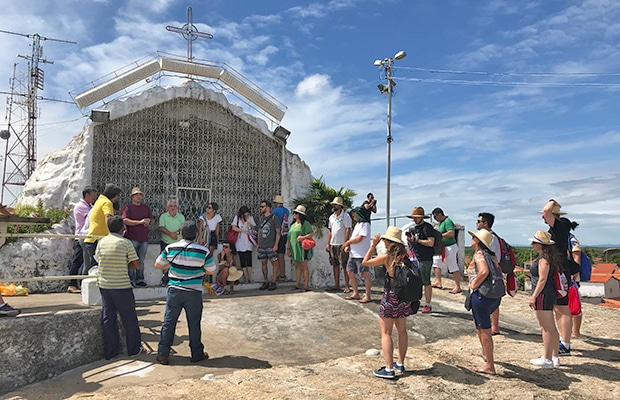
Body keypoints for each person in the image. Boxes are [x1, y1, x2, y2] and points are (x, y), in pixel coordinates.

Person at [154, 220, 217, 365]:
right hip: (193, 291)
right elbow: (212, 270)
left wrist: (173, 265)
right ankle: (196, 353)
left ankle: (163, 354)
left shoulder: (171, 248)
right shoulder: (203, 251)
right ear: (196, 234)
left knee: (169, 322)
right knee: (194, 324)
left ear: (181, 233)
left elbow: (157, 264)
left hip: (174, 290)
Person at [362, 226, 413, 379]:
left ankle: (389, 368)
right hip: (404, 297)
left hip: (391, 297)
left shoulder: (386, 257)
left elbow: (365, 262)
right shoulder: (406, 256)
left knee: (386, 333)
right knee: (402, 331)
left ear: (389, 242)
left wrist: (372, 245)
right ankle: (400, 363)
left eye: (384, 240)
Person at [94, 215, 144, 360]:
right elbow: (136, 265)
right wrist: (124, 263)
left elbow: (98, 259)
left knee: (108, 317)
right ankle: (134, 349)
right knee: (129, 318)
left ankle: (111, 351)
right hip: (121, 285)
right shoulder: (126, 243)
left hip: (104, 284)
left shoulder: (102, 242)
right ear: (122, 229)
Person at [466, 229, 503, 375]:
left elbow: (483, 271)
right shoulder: (491, 256)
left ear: (478, 242)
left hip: (482, 295)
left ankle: (490, 365)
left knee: (484, 328)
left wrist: (474, 285)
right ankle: (485, 353)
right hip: (493, 295)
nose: (472, 239)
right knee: (480, 326)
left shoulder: (479, 255)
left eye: (474, 237)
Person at [541, 199, 573, 356]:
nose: (543, 217)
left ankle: (565, 344)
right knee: (559, 308)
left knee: (562, 308)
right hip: (560, 270)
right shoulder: (560, 228)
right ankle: (563, 341)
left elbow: (546, 211)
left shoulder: (558, 227)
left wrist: (551, 201)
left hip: (559, 271)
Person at [528, 230, 561, 369]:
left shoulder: (543, 259)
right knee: (551, 327)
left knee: (546, 327)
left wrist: (533, 296)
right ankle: (554, 356)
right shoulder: (549, 257)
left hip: (543, 294)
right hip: (549, 293)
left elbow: (542, 279)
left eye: (534, 242)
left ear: (540, 244)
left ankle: (547, 359)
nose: (532, 244)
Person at [122, 187, 154, 287]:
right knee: (131, 260)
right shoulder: (128, 207)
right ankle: (130, 279)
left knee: (141, 260)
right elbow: (124, 220)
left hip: (143, 238)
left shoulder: (145, 208)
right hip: (132, 237)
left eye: (140, 195)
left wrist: (148, 221)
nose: (139, 196)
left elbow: (152, 221)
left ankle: (140, 279)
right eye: (136, 195)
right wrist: (139, 222)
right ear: (132, 197)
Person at [476, 212, 502, 335]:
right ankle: (493, 326)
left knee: (489, 298)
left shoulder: (490, 239)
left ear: (485, 223)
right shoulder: (493, 237)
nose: (476, 223)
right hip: (493, 272)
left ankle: (493, 326)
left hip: (491, 273)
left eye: (479, 221)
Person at [406, 207, 435, 313]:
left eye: (416, 217)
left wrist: (417, 240)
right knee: (414, 281)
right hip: (414, 258)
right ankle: (414, 302)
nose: (415, 219)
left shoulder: (427, 228)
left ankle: (428, 304)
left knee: (425, 281)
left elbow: (431, 242)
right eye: (414, 217)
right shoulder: (414, 228)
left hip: (425, 258)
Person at [68, 186, 97, 294]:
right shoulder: (81, 206)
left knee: (84, 261)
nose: (94, 198)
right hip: (81, 236)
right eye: (93, 196)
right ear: (87, 195)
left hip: (88, 237)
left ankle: (79, 283)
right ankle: (72, 284)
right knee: (78, 261)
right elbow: (90, 219)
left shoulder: (90, 206)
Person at [85, 184, 122, 268]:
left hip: (93, 238)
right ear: (114, 195)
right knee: (97, 267)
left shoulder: (100, 200)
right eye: (117, 196)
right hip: (98, 240)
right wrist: (112, 235)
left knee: (91, 266)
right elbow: (108, 217)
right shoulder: (107, 202)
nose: (117, 198)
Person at [342, 207, 372, 303]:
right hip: (353, 254)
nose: (353, 216)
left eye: (354, 214)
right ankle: (356, 293)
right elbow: (354, 238)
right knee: (350, 271)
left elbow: (359, 238)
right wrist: (349, 246)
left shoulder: (365, 224)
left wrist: (347, 242)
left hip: (362, 254)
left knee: (364, 273)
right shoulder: (357, 225)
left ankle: (368, 295)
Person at [431, 207, 462, 294]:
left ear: (440, 215)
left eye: (435, 217)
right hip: (442, 247)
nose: (435, 219)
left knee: (452, 266)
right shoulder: (441, 223)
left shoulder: (448, 221)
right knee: (436, 262)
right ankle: (438, 282)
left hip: (450, 247)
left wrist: (440, 236)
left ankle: (457, 286)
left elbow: (451, 233)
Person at [326, 196, 352, 292]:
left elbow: (348, 229)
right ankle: (336, 284)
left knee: (344, 265)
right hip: (333, 244)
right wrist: (328, 243)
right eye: (333, 204)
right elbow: (330, 230)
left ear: (340, 206)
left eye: (335, 204)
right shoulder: (331, 217)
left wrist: (346, 243)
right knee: (335, 264)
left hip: (342, 244)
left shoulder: (345, 216)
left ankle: (347, 285)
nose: (334, 206)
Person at [158, 200, 185, 287]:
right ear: (167, 208)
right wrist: (170, 234)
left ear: (177, 208)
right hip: (166, 242)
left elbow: (182, 227)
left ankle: (176, 280)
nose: (172, 208)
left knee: (178, 262)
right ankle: (165, 280)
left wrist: (175, 234)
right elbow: (161, 227)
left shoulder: (181, 217)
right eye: (171, 206)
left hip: (178, 243)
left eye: (174, 206)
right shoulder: (163, 216)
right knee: (165, 261)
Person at [287, 205, 314, 292]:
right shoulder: (293, 225)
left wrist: (302, 237)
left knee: (304, 265)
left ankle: (306, 285)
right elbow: (289, 237)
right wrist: (288, 248)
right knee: (297, 266)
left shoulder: (305, 223)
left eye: (296, 213)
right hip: (294, 248)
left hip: (303, 248)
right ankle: (297, 284)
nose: (294, 214)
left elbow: (311, 233)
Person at [257, 200, 281, 291]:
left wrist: (276, 245)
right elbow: (259, 231)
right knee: (263, 264)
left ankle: (274, 282)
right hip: (262, 245)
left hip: (271, 245)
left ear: (268, 208)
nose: (261, 208)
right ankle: (266, 281)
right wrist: (258, 243)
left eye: (262, 207)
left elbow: (278, 232)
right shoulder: (261, 219)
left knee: (274, 263)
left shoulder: (274, 218)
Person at [231, 205, 257, 284]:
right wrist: (242, 230)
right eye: (244, 215)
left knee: (248, 259)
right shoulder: (237, 218)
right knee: (242, 259)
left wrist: (250, 225)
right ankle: (245, 278)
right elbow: (233, 228)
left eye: (247, 214)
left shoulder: (250, 218)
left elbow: (254, 228)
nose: (246, 216)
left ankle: (250, 277)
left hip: (248, 241)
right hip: (240, 241)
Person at [569, 222, 584, 338]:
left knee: (574, 303)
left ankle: (576, 331)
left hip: (571, 275)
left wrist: (574, 273)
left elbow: (576, 255)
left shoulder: (571, 239)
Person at [272, 195, 290, 282]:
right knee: (281, 255)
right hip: (285, 234)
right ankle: (282, 274)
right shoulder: (287, 211)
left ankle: (279, 274)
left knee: (277, 256)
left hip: (277, 234)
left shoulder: (275, 211)